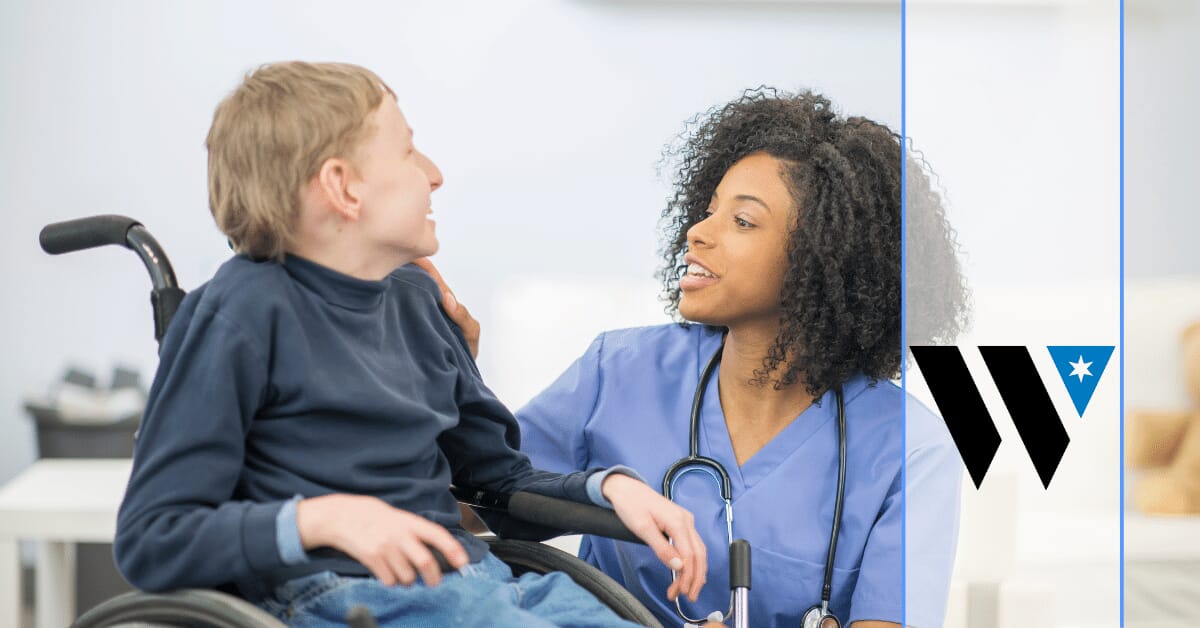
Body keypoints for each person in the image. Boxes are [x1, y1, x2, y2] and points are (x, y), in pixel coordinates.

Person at [112, 61, 710, 628]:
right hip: (346, 594)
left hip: (476, 582)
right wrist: (326, 518)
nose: (434, 173)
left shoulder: (416, 301)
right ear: (342, 187)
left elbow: (494, 485)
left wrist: (609, 488)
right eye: (407, 150)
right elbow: (153, 536)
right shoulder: (239, 313)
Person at [430, 89, 969, 627]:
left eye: (743, 222)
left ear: (825, 257)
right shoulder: (618, 370)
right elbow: (463, 504)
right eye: (710, 210)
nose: (698, 232)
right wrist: (443, 383)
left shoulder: (908, 451)